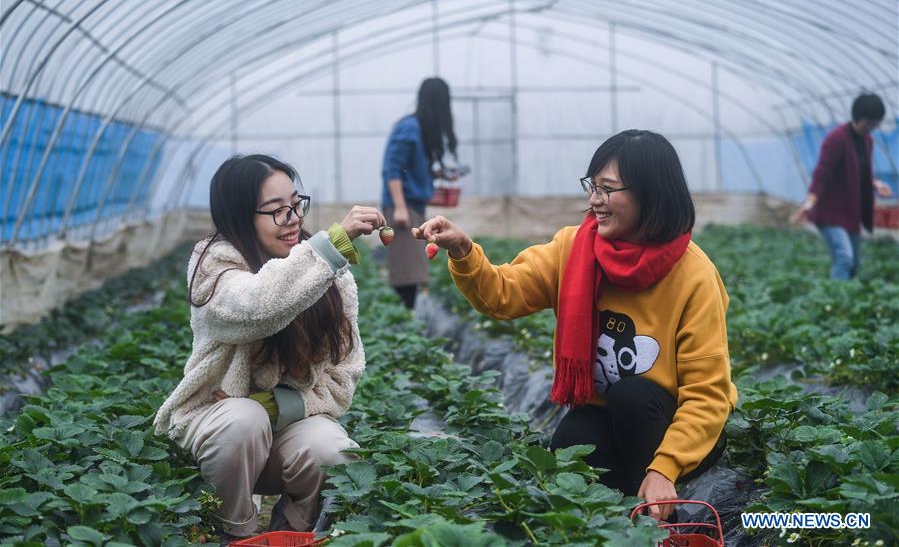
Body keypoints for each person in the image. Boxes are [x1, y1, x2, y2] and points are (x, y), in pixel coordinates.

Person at [413, 130, 738, 521]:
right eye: (592, 186)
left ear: (650, 193)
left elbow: (707, 394)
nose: (594, 200)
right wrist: (464, 251)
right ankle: (611, 524)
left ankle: (658, 515)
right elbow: (504, 294)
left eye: (608, 189)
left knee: (632, 396)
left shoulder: (694, 275)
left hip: (672, 426)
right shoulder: (574, 248)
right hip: (607, 413)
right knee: (572, 441)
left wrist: (664, 468)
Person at [153, 154, 386, 542]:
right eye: (277, 211)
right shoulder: (214, 266)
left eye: (296, 204)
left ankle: (292, 531)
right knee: (244, 420)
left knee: (333, 451)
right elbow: (258, 308)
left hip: (286, 439)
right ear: (240, 217)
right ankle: (237, 531)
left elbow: (345, 374)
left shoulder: (329, 274)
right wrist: (329, 248)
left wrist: (281, 407)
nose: (294, 218)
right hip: (218, 435)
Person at [793, 93, 893, 279]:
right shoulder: (836, 139)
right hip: (829, 212)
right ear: (858, 117)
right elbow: (821, 173)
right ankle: (836, 299)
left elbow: (861, 172)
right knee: (844, 258)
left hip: (850, 212)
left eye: (875, 123)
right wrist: (809, 202)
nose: (872, 127)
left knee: (854, 263)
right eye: (869, 122)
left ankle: (845, 296)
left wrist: (876, 184)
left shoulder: (867, 141)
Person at [381, 77, 458, 309]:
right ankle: (402, 316)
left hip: (412, 206)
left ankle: (407, 314)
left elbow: (409, 169)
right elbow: (392, 169)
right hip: (402, 207)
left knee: (413, 269)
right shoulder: (409, 128)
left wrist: (438, 176)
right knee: (407, 271)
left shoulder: (420, 129)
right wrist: (400, 207)